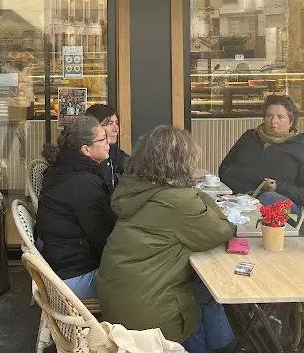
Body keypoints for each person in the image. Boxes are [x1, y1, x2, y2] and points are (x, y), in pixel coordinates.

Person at [97, 126, 235, 353]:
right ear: (183, 162)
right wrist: (193, 191)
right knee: (203, 298)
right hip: (151, 319)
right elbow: (221, 231)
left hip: (118, 301)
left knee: (202, 291)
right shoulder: (178, 200)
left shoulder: (133, 187)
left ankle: (225, 346)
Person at [34, 115, 115, 299]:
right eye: (103, 139)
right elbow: (106, 240)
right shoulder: (83, 183)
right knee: (147, 279)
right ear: (86, 149)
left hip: (57, 269)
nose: (108, 142)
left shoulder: (61, 169)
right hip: (72, 281)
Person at [218, 95, 304, 223]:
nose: (273, 121)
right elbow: (224, 168)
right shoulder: (249, 137)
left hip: (282, 210)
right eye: (269, 116)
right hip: (239, 200)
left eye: (280, 117)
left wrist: (279, 187)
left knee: (268, 197)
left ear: (291, 121)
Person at [85, 104, 130, 193]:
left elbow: (133, 164)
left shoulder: (113, 151)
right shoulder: (85, 158)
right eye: (109, 124)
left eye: (116, 123)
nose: (116, 129)